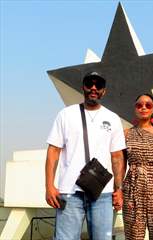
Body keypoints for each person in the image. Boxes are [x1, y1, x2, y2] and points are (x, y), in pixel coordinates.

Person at [45, 71, 126, 240]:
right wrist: (49, 186)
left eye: (99, 85)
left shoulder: (112, 118)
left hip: (102, 193)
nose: (94, 88)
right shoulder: (66, 114)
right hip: (70, 191)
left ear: (104, 90)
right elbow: (53, 151)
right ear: (83, 87)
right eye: (89, 84)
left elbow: (117, 156)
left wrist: (119, 189)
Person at [117, 93, 153, 240]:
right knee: (133, 236)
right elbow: (120, 165)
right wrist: (118, 190)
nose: (143, 107)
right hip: (132, 190)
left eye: (148, 105)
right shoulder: (125, 134)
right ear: (135, 109)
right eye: (139, 105)